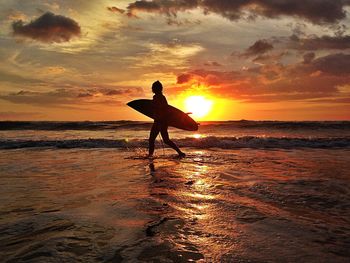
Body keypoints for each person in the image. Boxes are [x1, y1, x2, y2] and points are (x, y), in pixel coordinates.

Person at [148, 80, 185, 158]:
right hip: (158, 121)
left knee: (165, 140)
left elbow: (165, 109)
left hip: (161, 122)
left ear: (157, 88)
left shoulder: (161, 97)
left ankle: (180, 152)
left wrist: (161, 121)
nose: (152, 88)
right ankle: (150, 155)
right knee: (152, 140)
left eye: (153, 87)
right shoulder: (156, 97)